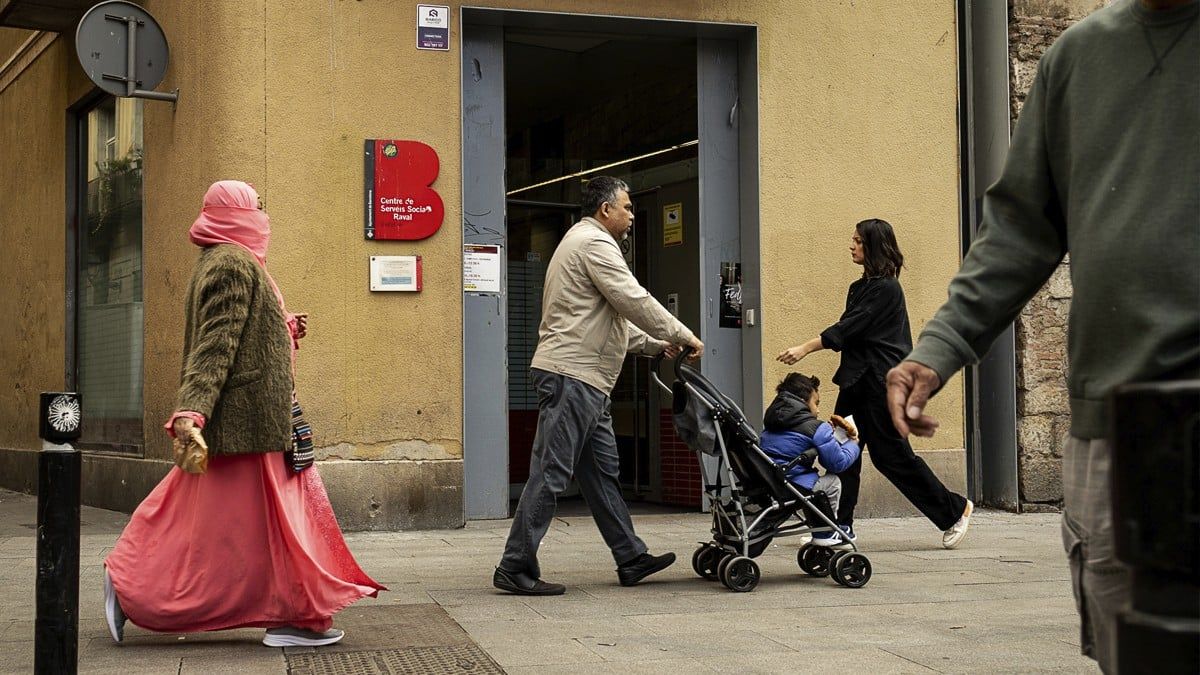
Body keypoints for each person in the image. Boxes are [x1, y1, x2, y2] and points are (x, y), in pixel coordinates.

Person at [886, 1, 1198, 670]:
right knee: (1137, 648)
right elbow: (1020, 229)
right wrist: (940, 347)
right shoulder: (1078, 57)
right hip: (1114, 426)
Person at [103, 180, 384, 648]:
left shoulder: (226, 259)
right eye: (255, 206)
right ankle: (133, 582)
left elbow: (240, 328)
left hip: (250, 423)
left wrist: (283, 326)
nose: (262, 214)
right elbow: (215, 344)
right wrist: (192, 409)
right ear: (235, 214)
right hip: (245, 422)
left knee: (211, 519)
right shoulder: (233, 262)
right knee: (232, 522)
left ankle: (290, 614)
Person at [494, 176, 705, 596]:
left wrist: (656, 344)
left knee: (602, 474)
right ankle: (515, 565)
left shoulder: (580, 243)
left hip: (588, 380)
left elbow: (609, 322)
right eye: (626, 208)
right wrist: (682, 333)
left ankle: (630, 556)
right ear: (605, 209)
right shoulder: (594, 243)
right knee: (551, 472)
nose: (631, 215)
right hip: (574, 376)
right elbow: (632, 299)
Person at [778, 218, 973, 548]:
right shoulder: (860, 287)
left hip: (881, 386)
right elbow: (850, 329)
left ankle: (954, 510)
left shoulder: (886, 289)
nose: (851, 246)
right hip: (856, 382)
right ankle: (837, 526)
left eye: (858, 241)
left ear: (873, 246)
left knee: (891, 457)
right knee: (841, 453)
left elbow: (850, 328)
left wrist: (806, 348)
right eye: (852, 240)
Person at [759, 373, 861, 546]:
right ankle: (827, 531)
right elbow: (836, 463)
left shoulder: (772, 423)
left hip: (770, 482)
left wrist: (827, 437)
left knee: (813, 488)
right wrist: (853, 443)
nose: (818, 409)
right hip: (795, 486)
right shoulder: (816, 428)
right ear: (802, 401)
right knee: (832, 482)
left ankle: (823, 529)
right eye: (816, 403)